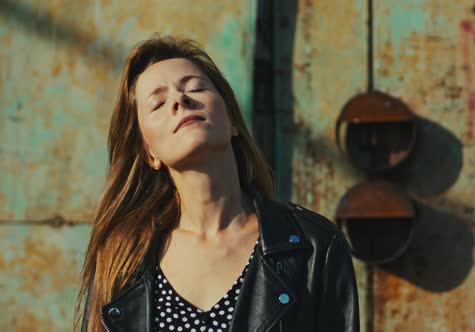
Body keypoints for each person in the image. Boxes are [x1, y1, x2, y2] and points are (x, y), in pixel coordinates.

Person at [75, 35, 360, 332]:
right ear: (150, 153)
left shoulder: (313, 247)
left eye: (196, 88)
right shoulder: (122, 259)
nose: (179, 100)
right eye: (158, 103)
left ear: (233, 120)